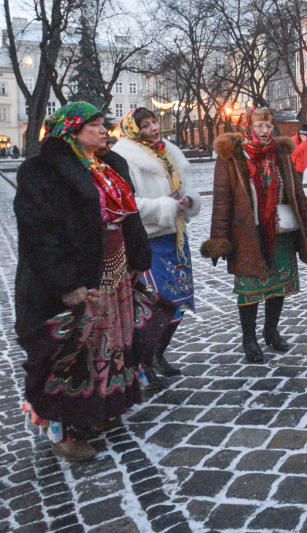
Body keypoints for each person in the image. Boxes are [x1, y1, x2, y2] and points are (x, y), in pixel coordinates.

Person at [14, 102, 173, 462]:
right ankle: (62, 430)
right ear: (71, 131)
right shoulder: (43, 172)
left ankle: (97, 411)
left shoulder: (111, 165)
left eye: (105, 124)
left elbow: (130, 214)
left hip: (114, 270)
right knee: (71, 350)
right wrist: (65, 281)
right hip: (76, 274)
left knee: (111, 343)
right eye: (95, 125)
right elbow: (40, 235)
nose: (104, 130)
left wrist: (137, 256)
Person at [201, 107, 307, 362]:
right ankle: (249, 339)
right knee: (250, 289)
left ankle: (271, 332)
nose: (266, 131)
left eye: (268, 126)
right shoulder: (232, 156)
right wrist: (219, 239)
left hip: (281, 232)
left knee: (278, 286)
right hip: (247, 234)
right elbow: (222, 200)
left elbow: (296, 193)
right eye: (259, 126)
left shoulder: (280, 153)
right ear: (247, 127)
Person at [114, 107, 201, 379]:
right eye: (146, 125)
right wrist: (165, 205)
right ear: (132, 129)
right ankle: (144, 361)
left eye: (154, 122)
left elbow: (185, 185)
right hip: (148, 238)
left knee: (178, 301)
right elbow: (127, 204)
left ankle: (157, 353)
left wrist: (188, 200)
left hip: (175, 235)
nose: (154, 128)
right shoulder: (124, 156)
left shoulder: (168, 152)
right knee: (155, 304)